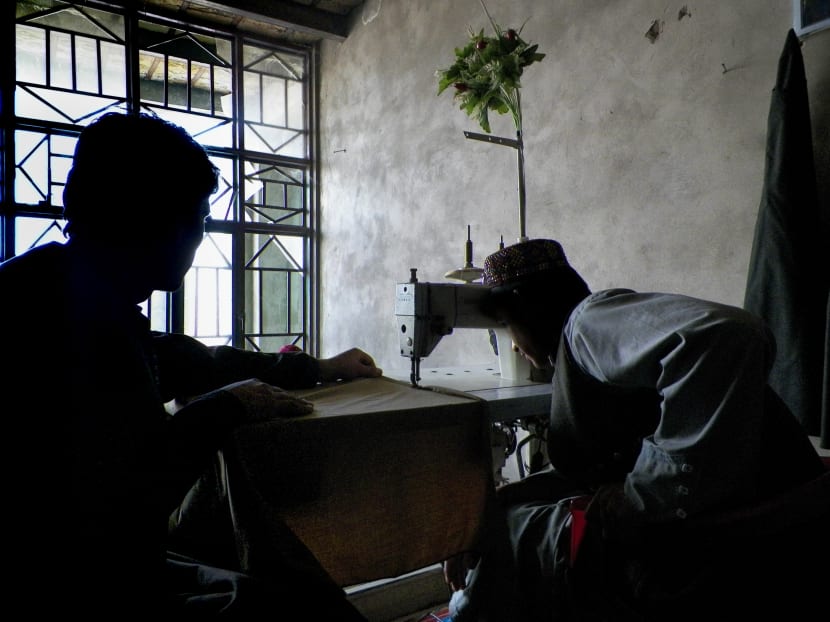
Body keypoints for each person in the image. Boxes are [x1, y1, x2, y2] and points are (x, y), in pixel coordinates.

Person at [0, 112, 381, 619]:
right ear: (151, 220)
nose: (201, 240)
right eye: (199, 221)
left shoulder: (67, 287)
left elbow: (190, 360)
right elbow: (125, 499)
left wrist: (315, 367)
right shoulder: (56, 315)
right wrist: (226, 407)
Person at [444, 238, 829, 621]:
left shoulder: (586, 324)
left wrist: (647, 493)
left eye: (507, 325)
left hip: (748, 540)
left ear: (527, 307)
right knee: (517, 520)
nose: (512, 345)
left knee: (514, 537)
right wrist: (510, 495)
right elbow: (607, 461)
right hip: (765, 530)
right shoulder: (584, 352)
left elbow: (729, 333)